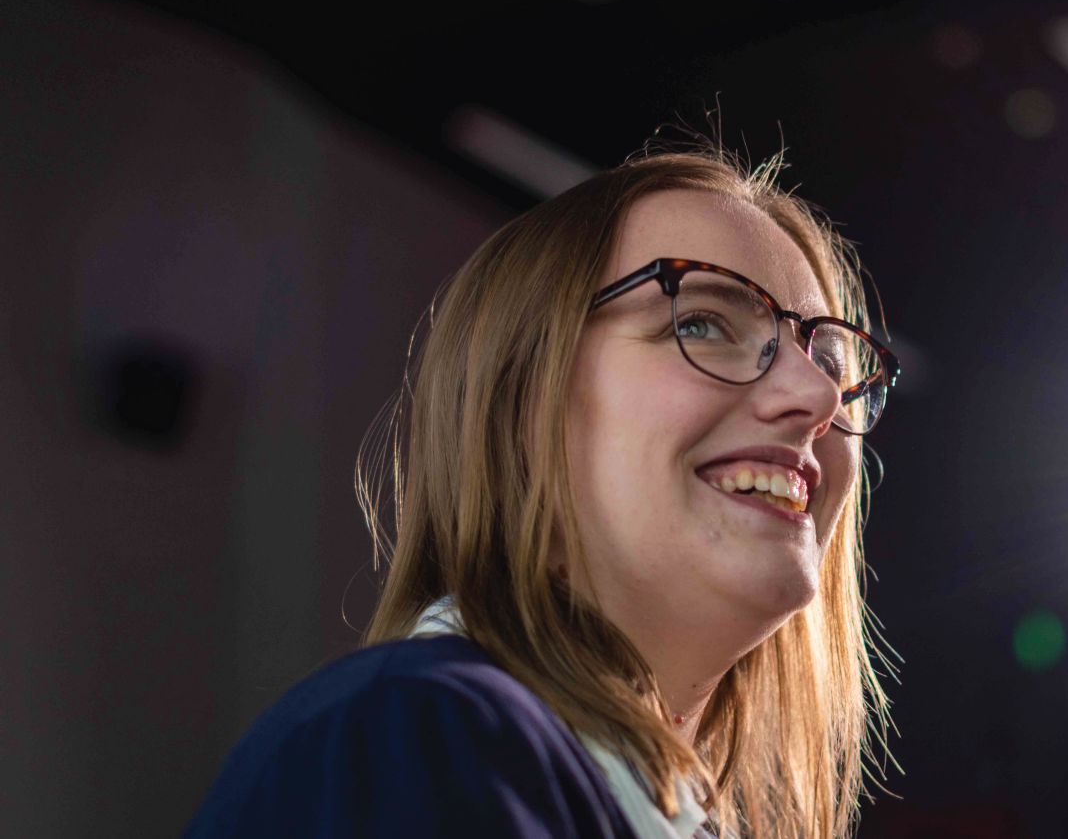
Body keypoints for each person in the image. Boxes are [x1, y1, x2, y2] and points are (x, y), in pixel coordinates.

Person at [184, 144, 900, 839]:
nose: (815, 394)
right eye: (702, 323)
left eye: (830, 362)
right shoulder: (421, 733)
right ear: (521, 400)